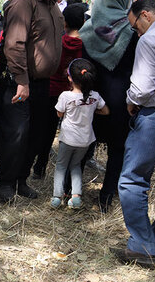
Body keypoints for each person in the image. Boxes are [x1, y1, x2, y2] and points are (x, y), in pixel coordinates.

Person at [0, 0, 64, 203]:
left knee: (35, 133)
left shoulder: (52, 5)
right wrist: (22, 80)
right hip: (18, 80)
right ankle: (5, 183)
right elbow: (14, 45)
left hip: (41, 82)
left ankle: (20, 179)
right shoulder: (23, 2)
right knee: (16, 133)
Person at [111, 0, 155, 268]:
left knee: (131, 180)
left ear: (145, 15)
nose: (136, 32)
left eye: (135, 26)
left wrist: (130, 101)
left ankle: (142, 245)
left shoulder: (150, 40)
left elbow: (142, 89)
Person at [80, 0, 138, 212]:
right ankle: (106, 196)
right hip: (120, 99)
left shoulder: (88, 29)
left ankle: (68, 188)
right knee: (117, 149)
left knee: (84, 144)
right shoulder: (131, 32)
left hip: (91, 97)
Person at [33, 3, 85, 179]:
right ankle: (69, 172)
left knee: (46, 131)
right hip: (75, 94)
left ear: (64, 22)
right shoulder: (85, 45)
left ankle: (39, 168)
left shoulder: (58, 41)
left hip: (53, 90)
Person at [50, 58, 108, 210]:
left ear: (70, 77)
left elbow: (59, 114)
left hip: (68, 138)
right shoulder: (94, 96)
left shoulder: (65, 96)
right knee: (75, 165)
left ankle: (57, 196)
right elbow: (106, 110)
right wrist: (92, 109)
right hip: (85, 139)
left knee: (61, 166)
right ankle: (76, 196)